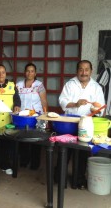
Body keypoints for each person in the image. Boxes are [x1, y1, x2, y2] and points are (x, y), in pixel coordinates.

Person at [58, 59, 105, 189]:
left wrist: (95, 109)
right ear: (77, 71)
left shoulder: (96, 87)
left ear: (91, 71)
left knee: (82, 152)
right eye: (81, 69)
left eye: (86, 69)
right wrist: (76, 104)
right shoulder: (70, 84)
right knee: (65, 150)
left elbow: (101, 109)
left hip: (86, 124)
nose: (83, 72)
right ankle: (59, 178)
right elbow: (62, 102)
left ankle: (78, 180)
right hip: (69, 122)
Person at [16, 62, 48, 169]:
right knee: (23, 138)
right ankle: (24, 161)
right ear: (25, 73)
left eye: (32, 71)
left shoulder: (39, 85)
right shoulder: (19, 85)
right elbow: (15, 100)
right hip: (22, 116)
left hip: (36, 116)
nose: (30, 73)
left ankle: (35, 163)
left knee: (35, 139)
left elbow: (44, 101)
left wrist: (45, 116)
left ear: (35, 73)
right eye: (28, 71)